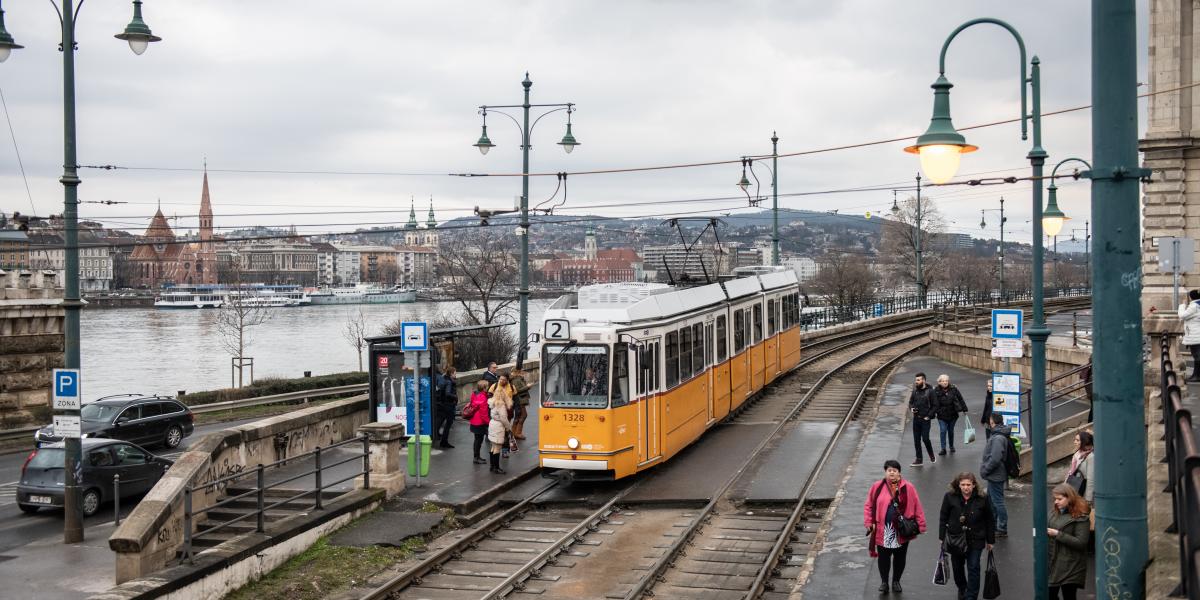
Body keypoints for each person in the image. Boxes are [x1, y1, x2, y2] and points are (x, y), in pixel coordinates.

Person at [863, 459, 927, 594]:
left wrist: (921, 525)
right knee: (883, 558)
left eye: (894, 470)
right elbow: (868, 505)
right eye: (889, 470)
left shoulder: (908, 487)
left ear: (899, 473)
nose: (891, 472)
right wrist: (869, 522)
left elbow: (917, 506)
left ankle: (896, 581)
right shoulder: (877, 486)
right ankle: (884, 582)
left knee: (900, 557)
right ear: (885, 472)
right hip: (883, 529)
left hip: (901, 530)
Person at [938, 471, 995, 600]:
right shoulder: (949, 497)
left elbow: (989, 519)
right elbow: (943, 517)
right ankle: (963, 588)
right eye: (963, 484)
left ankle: (971, 596)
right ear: (958, 485)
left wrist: (990, 540)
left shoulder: (983, 498)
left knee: (974, 567)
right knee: (957, 568)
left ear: (974, 485)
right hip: (955, 539)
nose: (966, 487)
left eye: (968, 484)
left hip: (976, 539)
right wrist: (941, 537)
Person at [1048, 483, 1091, 599]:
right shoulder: (1055, 511)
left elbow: (1081, 543)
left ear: (1070, 498)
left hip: (1071, 564)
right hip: (1053, 561)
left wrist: (1057, 534)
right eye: (1055, 499)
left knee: (1069, 596)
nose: (1056, 502)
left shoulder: (1081, 517)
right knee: (1048, 594)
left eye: (1059, 499)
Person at [979, 413, 1011, 537]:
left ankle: (1002, 528)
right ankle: (995, 524)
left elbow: (995, 458)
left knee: (998, 502)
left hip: (995, 474)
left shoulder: (998, 438)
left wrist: (985, 470)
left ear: (993, 422)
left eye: (990, 421)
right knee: (992, 500)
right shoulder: (999, 435)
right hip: (995, 474)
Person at [934, 374, 969, 455]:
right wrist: (934, 412)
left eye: (946, 381)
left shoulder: (954, 389)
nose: (945, 382)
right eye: (943, 381)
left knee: (950, 431)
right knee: (943, 431)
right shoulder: (936, 390)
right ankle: (943, 448)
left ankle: (951, 446)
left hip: (953, 414)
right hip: (941, 415)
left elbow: (960, 399)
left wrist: (964, 409)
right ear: (939, 382)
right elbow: (933, 402)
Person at [908, 372, 937, 467]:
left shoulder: (930, 391)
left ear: (923, 380)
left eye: (918, 380)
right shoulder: (915, 391)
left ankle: (931, 454)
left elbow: (935, 405)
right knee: (916, 440)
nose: (916, 382)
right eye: (916, 380)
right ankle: (919, 459)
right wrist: (911, 408)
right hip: (916, 419)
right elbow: (910, 402)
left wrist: (928, 416)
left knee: (925, 439)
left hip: (925, 420)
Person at [487, 378, 513, 474]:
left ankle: (492, 466)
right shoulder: (501, 405)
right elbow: (503, 418)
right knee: (497, 447)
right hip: (498, 427)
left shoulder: (492, 402)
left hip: (492, 424)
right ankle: (496, 468)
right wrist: (508, 427)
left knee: (493, 446)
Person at [490, 374, 518, 456]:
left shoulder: (512, 387)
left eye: (503, 379)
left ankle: (504, 451)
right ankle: (495, 449)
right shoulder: (494, 386)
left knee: (506, 433)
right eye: (500, 379)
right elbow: (489, 398)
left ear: (507, 380)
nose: (501, 381)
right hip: (497, 413)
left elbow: (516, 400)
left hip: (508, 413)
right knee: (499, 432)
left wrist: (517, 410)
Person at [1065, 431, 1094, 506]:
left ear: (1084, 442)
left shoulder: (1090, 457)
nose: (1074, 442)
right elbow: (1071, 471)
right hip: (1075, 484)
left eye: (1077, 440)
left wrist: (1088, 498)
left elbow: (1091, 478)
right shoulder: (1078, 453)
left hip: (1083, 489)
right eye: (1075, 439)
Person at [433, 366, 458, 449]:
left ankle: (435, 437)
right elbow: (447, 393)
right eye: (455, 373)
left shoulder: (444, 379)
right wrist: (455, 397)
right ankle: (444, 441)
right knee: (448, 424)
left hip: (442, 404)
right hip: (449, 406)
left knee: (439, 421)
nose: (456, 374)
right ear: (451, 374)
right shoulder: (449, 382)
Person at [468, 380, 491, 465]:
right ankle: (476, 458)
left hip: (474, 420)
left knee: (477, 440)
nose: (488, 388)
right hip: (480, 422)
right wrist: (489, 422)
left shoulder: (475, 394)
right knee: (479, 441)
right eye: (487, 386)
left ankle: (477, 457)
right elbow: (484, 413)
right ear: (484, 388)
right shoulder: (483, 397)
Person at [1180, 289, 1200, 382]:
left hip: (1195, 335)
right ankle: (1196, 375)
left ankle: (1196, 376)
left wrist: (1182, 305)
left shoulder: (1194, 306)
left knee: (1197, 355)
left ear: (1191, 297)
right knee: (1197, 355)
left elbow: (1182, 315)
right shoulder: (1197, 305)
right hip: (1196, 334)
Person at [509, 367, 531, 441]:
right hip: (519, 399)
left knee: (519, 415)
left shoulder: (518, 378)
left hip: (520, 398)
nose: (523, 371)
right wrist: (527, 387)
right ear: (517, 372)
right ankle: (517, 433)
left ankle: (515, 433)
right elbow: (517, 390)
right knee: (523, 415)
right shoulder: (515, 379)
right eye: (521, 370)